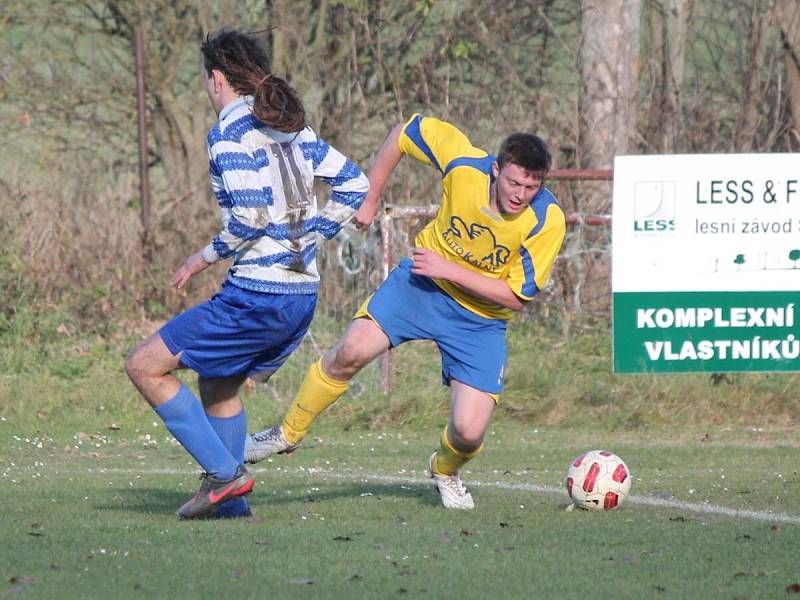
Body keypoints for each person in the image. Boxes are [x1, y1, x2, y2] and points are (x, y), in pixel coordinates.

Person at [244, 113, 566, 509]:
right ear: (496, 169)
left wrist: (451, 269)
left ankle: (445, 470)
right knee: (350, 351)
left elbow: (517, 297)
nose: (520, 194)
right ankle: (287, 433)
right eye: (514, 182)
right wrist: (372, 196)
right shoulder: (464, 164)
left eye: (531, 187)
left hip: (480, 321)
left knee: (468, 433)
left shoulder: (547, 219)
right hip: (421, 286)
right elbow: (405, 131)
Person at [124, 29, 369, 520]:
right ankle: (232, 512)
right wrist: (313, 235)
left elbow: (251, 218)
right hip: (301, 294)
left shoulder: (228, 134)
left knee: (145, 365)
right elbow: (356, 184)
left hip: (258, 293)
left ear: (216, 80)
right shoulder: (292, 129)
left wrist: (201, 258)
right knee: (219, 383)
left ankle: (224, 477)